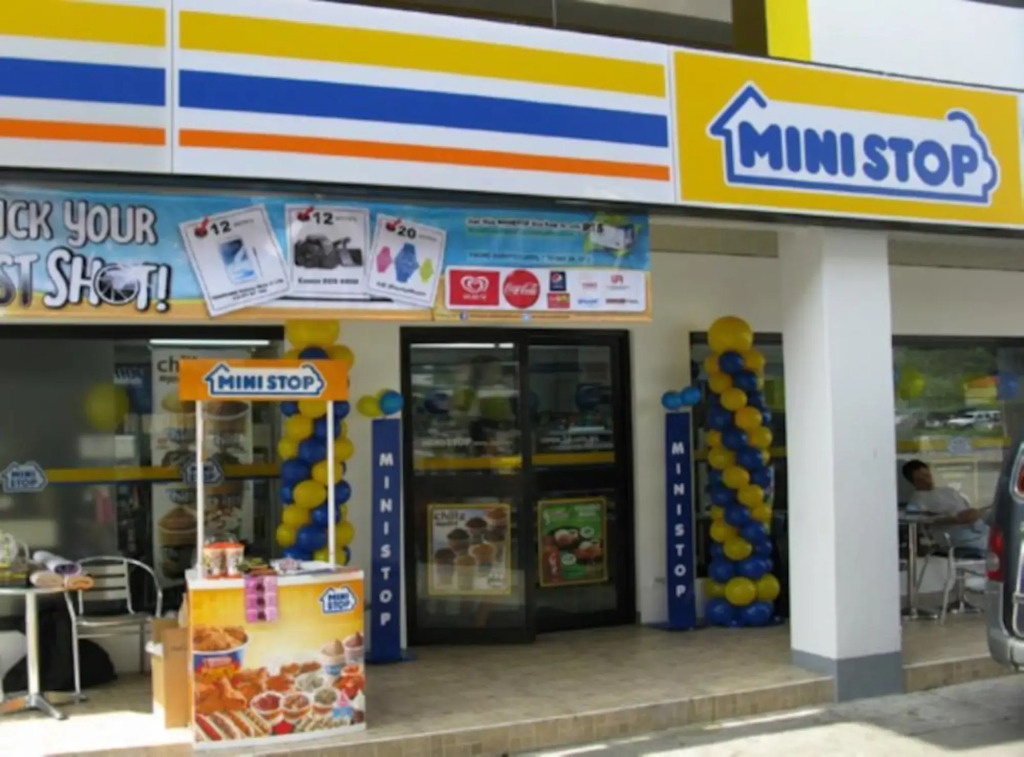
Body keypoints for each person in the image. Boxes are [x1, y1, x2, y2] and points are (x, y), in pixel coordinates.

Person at [902, 459, 989, 557]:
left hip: (980, 529)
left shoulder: (948, 491)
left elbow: (966, 508)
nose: (926, 481)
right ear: (913, 482)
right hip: (959, 540)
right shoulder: (916, 501)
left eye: (927, 476)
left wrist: (974, 513)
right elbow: (919, 522)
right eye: (920, 480)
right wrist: (955, 520)